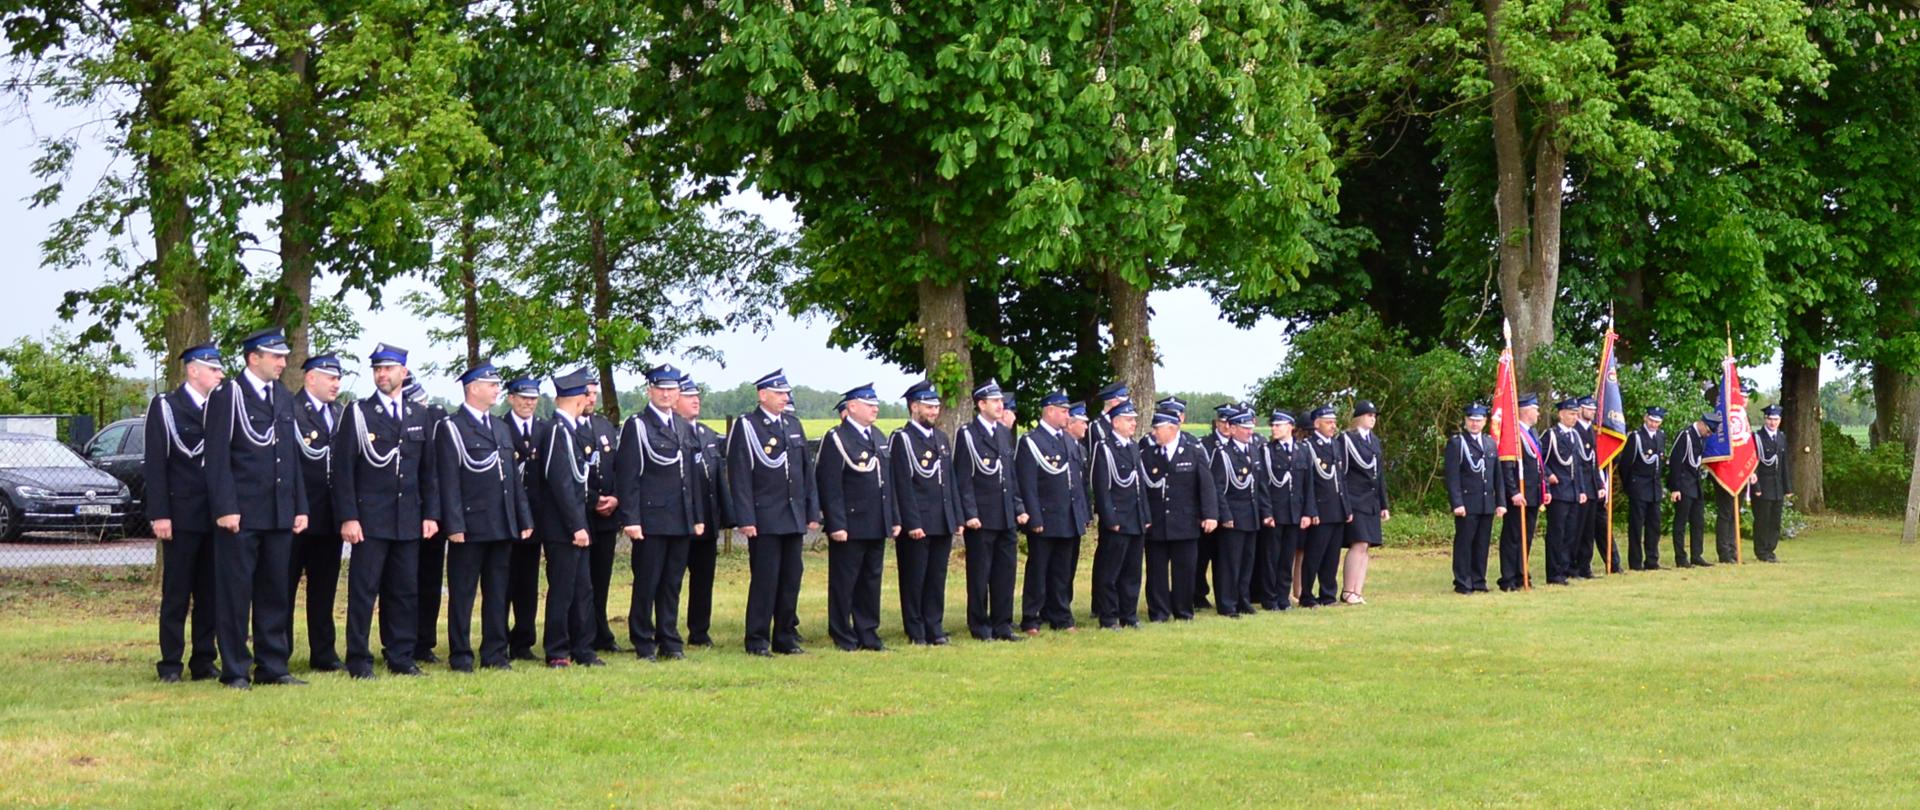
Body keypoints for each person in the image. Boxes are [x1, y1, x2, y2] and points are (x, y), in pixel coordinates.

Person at [203, 326, 310, 689]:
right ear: (254, 358)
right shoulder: (228, 394)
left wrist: (300, 506)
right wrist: (225, 507)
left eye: (283, 356)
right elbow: (216, 457)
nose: (283, 362)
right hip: (242, 513)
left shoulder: (281, 395)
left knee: (274, 592)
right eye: (276, 356)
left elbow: (291, 457)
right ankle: (235, 669)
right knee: (235, 594)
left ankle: (272, 666)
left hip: (278, 511)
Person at [334, 344, 439, 679]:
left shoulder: (418, 415)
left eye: (389, 369)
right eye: (377, 369)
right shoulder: (359, 413)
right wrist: (349, 517)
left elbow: (428, 472)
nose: (382, 374)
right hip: (370, 519)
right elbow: (343, 471)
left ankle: (401, 656)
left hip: (407, 518)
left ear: (403, 373)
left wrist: (430, 515)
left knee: (405, 591)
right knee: (364, 592)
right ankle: (359, 659)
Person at [434, 361, 534, 672]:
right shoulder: (452, 427)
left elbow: (513, 481)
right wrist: (453, 524)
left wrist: (524, 518)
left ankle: (495, 653)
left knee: (498, 592)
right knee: (463, 594)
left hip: (501, 523)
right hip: (470, 524)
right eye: (491, 385)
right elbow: (447, 479)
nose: (496, 390)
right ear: (473, 388)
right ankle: (461, 655)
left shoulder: (501, 427)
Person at [145, 342, 225, 683]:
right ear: (194, 370)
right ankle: (170, 663)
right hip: (180, 515)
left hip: (216, 515)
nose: (220, 374)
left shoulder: (221, 407)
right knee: (177, 593)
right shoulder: (167, 407)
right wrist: (160, 513)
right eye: (214, 369)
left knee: (211, 593)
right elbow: (156, 465)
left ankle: (204, 660)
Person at [614, 363, 705, 662]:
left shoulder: (680, 424)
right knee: (647, 582)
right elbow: (628, 476)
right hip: (651, 519)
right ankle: (643, 640)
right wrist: (631, 519)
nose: (667, 394)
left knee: (672, 583)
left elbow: (690, 476)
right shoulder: (638, 425)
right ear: (650, 390)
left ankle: (670, 640)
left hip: (679, 518)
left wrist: (697, 516)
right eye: (661, 388)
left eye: (672, 389)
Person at [726, 369, 821, 656]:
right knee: (765, 580)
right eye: (779, 393)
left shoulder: (792, 424)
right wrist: (745, 517)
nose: (785, 398)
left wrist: (812, 510)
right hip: (765, 516)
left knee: (791, 578)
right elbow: (739, 474)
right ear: (762, 395)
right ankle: (757, 639)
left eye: (786, 393)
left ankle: (785, 636)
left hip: (792, 515)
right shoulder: (748, 426)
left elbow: (806, 472)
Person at [815, 384, 899, 652]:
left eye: (875, 403)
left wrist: (893, 517)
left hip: (876, 521)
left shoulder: (878, 435)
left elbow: (888, 482)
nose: (875, 408)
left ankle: (868, 632)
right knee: (844, 581)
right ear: (851, 407)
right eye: (868, 404)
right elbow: (830, 484)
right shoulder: (838, 438)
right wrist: (836, 523)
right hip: (850, 523)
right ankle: (842, 632)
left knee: (870, 581)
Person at [533, 368, 602, 668]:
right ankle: (558, 649)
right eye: (586, 395)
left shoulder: (569, 429)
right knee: (563, 589)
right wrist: (576, 525)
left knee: (582, 588)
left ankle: (583, 647)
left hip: (575, 523)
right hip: (563, 527)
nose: (589, 400)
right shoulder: (558, 431)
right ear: (577, 398)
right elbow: (560, 482)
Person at [889, 380, 962, 645]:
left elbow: (949, 481)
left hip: (941, 520)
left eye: (936, 406)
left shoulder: (941, 438)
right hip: (918, 521)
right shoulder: (902, 439)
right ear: (914, 406)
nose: (934, 412)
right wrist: (911, 522)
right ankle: (916, 630)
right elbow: (902, 484)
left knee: (936, 578)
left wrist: (955, 517)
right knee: (914, 578)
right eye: (928, 407)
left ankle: (935, 627)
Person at [955, 380, 1026, 642]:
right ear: (981, 404)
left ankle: (1003, 624)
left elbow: (1010, 474)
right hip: (982, 517)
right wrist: (969, 513)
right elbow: (963, 478)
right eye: (994, 401)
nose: (1000, 405)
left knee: (1005, 574)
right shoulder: (968, 435)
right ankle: (980, 625)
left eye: (1001, 401)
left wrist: (1019, 507)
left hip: (1006, 515)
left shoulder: (1003, 432)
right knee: (979, 575)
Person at [1017, 391, 1091, 635]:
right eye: (1062, 411)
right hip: (1046, 516)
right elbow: (1027, 484)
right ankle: (1031, 617)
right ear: (1049, 410)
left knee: (1062, 570)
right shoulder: (1032, 441)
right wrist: (1034, 517)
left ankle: (1061, 615)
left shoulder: (1068, 440)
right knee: (1039, 569)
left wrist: (1082, 514)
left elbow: (1076, 482)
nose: (1066, 415)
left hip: (1068, 516)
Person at [288, 353, 345, 672]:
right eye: (330, 378)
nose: (336, 384)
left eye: (338, 378)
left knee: (324, 590)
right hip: (298, 516)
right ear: (311, 378)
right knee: (283, 587)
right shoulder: (293, 411)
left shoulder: (338, 413)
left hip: (329, 517)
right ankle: (278, 650)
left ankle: (323, 653)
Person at [1142, 409, 1218, 621]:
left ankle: (1183, 610)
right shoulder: (1147, 455)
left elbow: (1206, 486)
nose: (1154, 432)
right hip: (1157, 522)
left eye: (1158, 428)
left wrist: (1210, 514)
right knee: (1156, 571)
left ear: (1172, 428)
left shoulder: (1193, 452)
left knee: (1184, 571)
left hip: (1185, 522)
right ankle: (1158, 612)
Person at [675, 374, 729, 647]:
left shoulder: (707, 434)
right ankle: (663, 630)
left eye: (697, 396)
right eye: (689, 396)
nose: (696, 400)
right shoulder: (674, 432)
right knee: (669, 581)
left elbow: (717, 477)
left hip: (706, 520)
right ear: (675, 400)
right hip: (679, 519)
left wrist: (725, 515)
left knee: (703, 580)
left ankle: (699, 631)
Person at [403, 375, 452, 666]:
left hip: (433, 513)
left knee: (430, 582)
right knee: (402, 583)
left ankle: (424, 641)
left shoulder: (436, 419)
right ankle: (401, 641)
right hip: (404, 512)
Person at [1090, 402, 1148, 628]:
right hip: (1117, 519)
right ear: (1115, 422)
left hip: (1135, 518)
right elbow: (1101, 486)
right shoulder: (1104, 448)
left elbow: (1139, 485)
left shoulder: (1133, 447)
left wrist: (1146, 516)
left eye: (1134, 419)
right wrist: (1109, 518)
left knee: (1132, 572)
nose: (1134, 423)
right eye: (1129, 419)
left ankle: (1129, 615)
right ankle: (1108, 616)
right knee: (1110, 571)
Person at [578, 375, 623, 653]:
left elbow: (619, 466)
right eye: (587, 393)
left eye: (595, 393)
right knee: (580, 580)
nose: (592, 398)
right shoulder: (564, 428)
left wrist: (615, 497)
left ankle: (600, 630)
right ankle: (580, 631)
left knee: (601, 577)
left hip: (606, 517)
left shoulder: (604, 426)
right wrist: (593, 499)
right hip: (582, 514)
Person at [502, 377, 547, 660]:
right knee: (502, 584)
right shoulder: (499, 427)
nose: (528, 402)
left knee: (528, 584)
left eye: (533, 398)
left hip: (535, 519)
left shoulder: (544, 430)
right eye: (523, 397)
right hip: (506, 519)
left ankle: (523, 641)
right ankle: (498, 639)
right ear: (510, 398)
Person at [1211, 408, 1270, 617]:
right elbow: (1218, 488)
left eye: (1251, 428)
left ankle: (1243, 600)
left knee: (1247, 562)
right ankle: (1227, 604)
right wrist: (1225, 515)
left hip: (1251, 514)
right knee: (1230, 563)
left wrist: (1266, 512)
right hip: (1233, 516)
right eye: (1244, 428)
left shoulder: (1253, 451)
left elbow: (1260, 486)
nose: (1249, 432)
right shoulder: (1223, 453)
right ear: (1232, 428)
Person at [1445, 404, 1506, 594]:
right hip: (1467, 502)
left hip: (1486, 503)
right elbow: (1452, 476)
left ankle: (1479, 579)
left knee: (1482, 544)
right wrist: (1457, 503)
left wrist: (1501, 502)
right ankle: (1463, 582)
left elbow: (1497, 476)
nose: (1474, 423)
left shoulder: (1489, 443)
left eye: (1478, 420)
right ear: (1465, 421)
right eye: (1471, 420)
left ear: (1485, 422)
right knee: (1465, 543)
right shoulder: (1457, 443)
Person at [1258, 410, 1314, 610]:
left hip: (1294, 512)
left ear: (1290, 426)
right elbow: (1263, 485)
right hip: (1275, 512)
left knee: (1287, 557)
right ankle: (1269, 598)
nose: (1274, 428)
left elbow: (1308, 485)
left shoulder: (1302, 451)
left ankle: (1283, 597)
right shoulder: (1266, 451)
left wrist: (1308, 512)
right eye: (1273, 425)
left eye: (1278, 425)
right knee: (1271, 557)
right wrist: (1267, 512)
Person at [1339, 400, 1390, 604]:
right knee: (1358, 543)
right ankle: (1347, 590)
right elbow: (1342, 473)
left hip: (1371, 501)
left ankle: (1357, 590)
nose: (1373, 419)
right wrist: (1343, 503)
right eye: (1369, 415)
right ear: (1359, 417)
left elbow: (1379, 475)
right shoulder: (1346, 439)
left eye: (1374, 416)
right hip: (1354, 498)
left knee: (1367, 545)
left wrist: (1384, 504)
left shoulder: (1374, 441)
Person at [1301, 406, 1351, 607]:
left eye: (1334, 422)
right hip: (1320, 509)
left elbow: (1341, 479)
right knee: (1314, 555)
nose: (1333, 426)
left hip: (1336, 509)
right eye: (1328, 422)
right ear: (1316, 424)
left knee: (1332, 555)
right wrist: (1311, 510)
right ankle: (1306, 595)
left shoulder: (1335, 445)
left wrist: (1346, 508)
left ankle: (1328, 594)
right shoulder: (1308, 447)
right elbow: (1309, 483)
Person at [1498, 395, 1548, 592]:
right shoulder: (1513, 434)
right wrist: (1513, 492)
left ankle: (1522, 574)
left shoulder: (1533, 433)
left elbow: (1539, 466)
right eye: (1536, 409)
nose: (1538, 413)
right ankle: (1508, 578)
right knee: (1513, 537)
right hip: (1518, 496)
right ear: (1526, 410)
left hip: (1533, 495)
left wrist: (1545, 489)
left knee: (1526, 537)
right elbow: (1508, 466)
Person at [1542, 397, 1592, 585]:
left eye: (1576, 414)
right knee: (1557, 533)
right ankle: (1554, 572)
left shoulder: (1575, 436)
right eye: (1571, 414)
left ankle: (1565, 568)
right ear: (1561, 414)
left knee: (1571, 533)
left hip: (1572, 492)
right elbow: (1540, 460)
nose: (1574, 418)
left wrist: (1581, 489)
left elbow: (1577, 465)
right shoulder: (1551, 435)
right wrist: (1549, 475)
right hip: (1558, 491)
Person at [1622, 407, 1667, 571]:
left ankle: (1652, 560)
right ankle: (1635, 562)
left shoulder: (1661, 436)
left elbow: (1660, 463)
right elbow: (1625, 464)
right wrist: (1629, 486)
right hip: (1638, 486)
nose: (1654, 424)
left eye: (1657, 422)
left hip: (1654, 487)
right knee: (1636, 526)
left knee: (1654, 526)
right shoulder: (1636, 437)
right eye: (1651, 421)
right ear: (1645, 418)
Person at [1668, 413, 1713, 568]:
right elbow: (1675, 462)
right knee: (1680, 523)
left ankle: (1697, 555)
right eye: (1708, 430)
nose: (1709, 434)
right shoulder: (1685, 435)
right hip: (1683, 485)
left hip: (1695, 485)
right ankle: (1681, 558)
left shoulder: (1701, 439)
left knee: (1698, 522)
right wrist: (1675, 488)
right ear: (1701, 423)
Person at [1751, 404, 1790, 562]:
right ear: (1765, 419)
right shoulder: (1757, 438)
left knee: (1775, 521)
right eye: (1770, 419)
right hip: (1763, 486)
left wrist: (1787, 487)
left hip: (1777, 487)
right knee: (1762, 520)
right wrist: (1756, 486)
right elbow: (1753, 465)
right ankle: (1761, 551)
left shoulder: (1781, 437)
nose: (1773, 423)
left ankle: (1770, 549)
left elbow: (1784, 464)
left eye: (1776, 419)